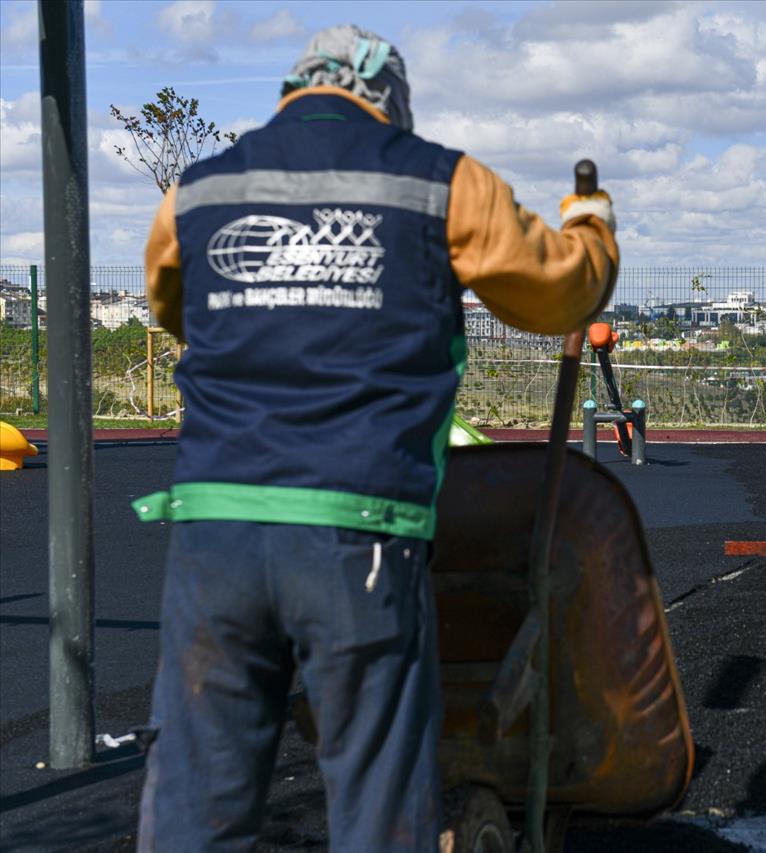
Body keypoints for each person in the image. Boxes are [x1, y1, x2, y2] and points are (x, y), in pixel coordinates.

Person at [133, 25, 617, 852]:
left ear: (294, 91)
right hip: (357, 533)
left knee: (194, 792)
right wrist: (592, 226)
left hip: (214, 529)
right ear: (389, 99)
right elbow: (556, 294)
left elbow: (176, 307)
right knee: (378, 791)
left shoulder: (198, 191)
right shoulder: (440, 181)